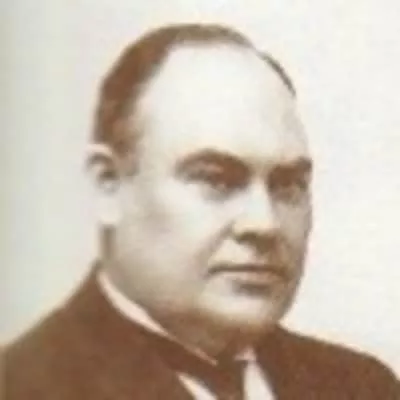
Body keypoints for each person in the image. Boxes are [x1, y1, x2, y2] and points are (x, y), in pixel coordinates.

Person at [5, 23, 400, 400]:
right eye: (217, 180)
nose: (264, 223)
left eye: (287, 185)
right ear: (109, 184)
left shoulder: (364, 388)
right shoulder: (23, 387)